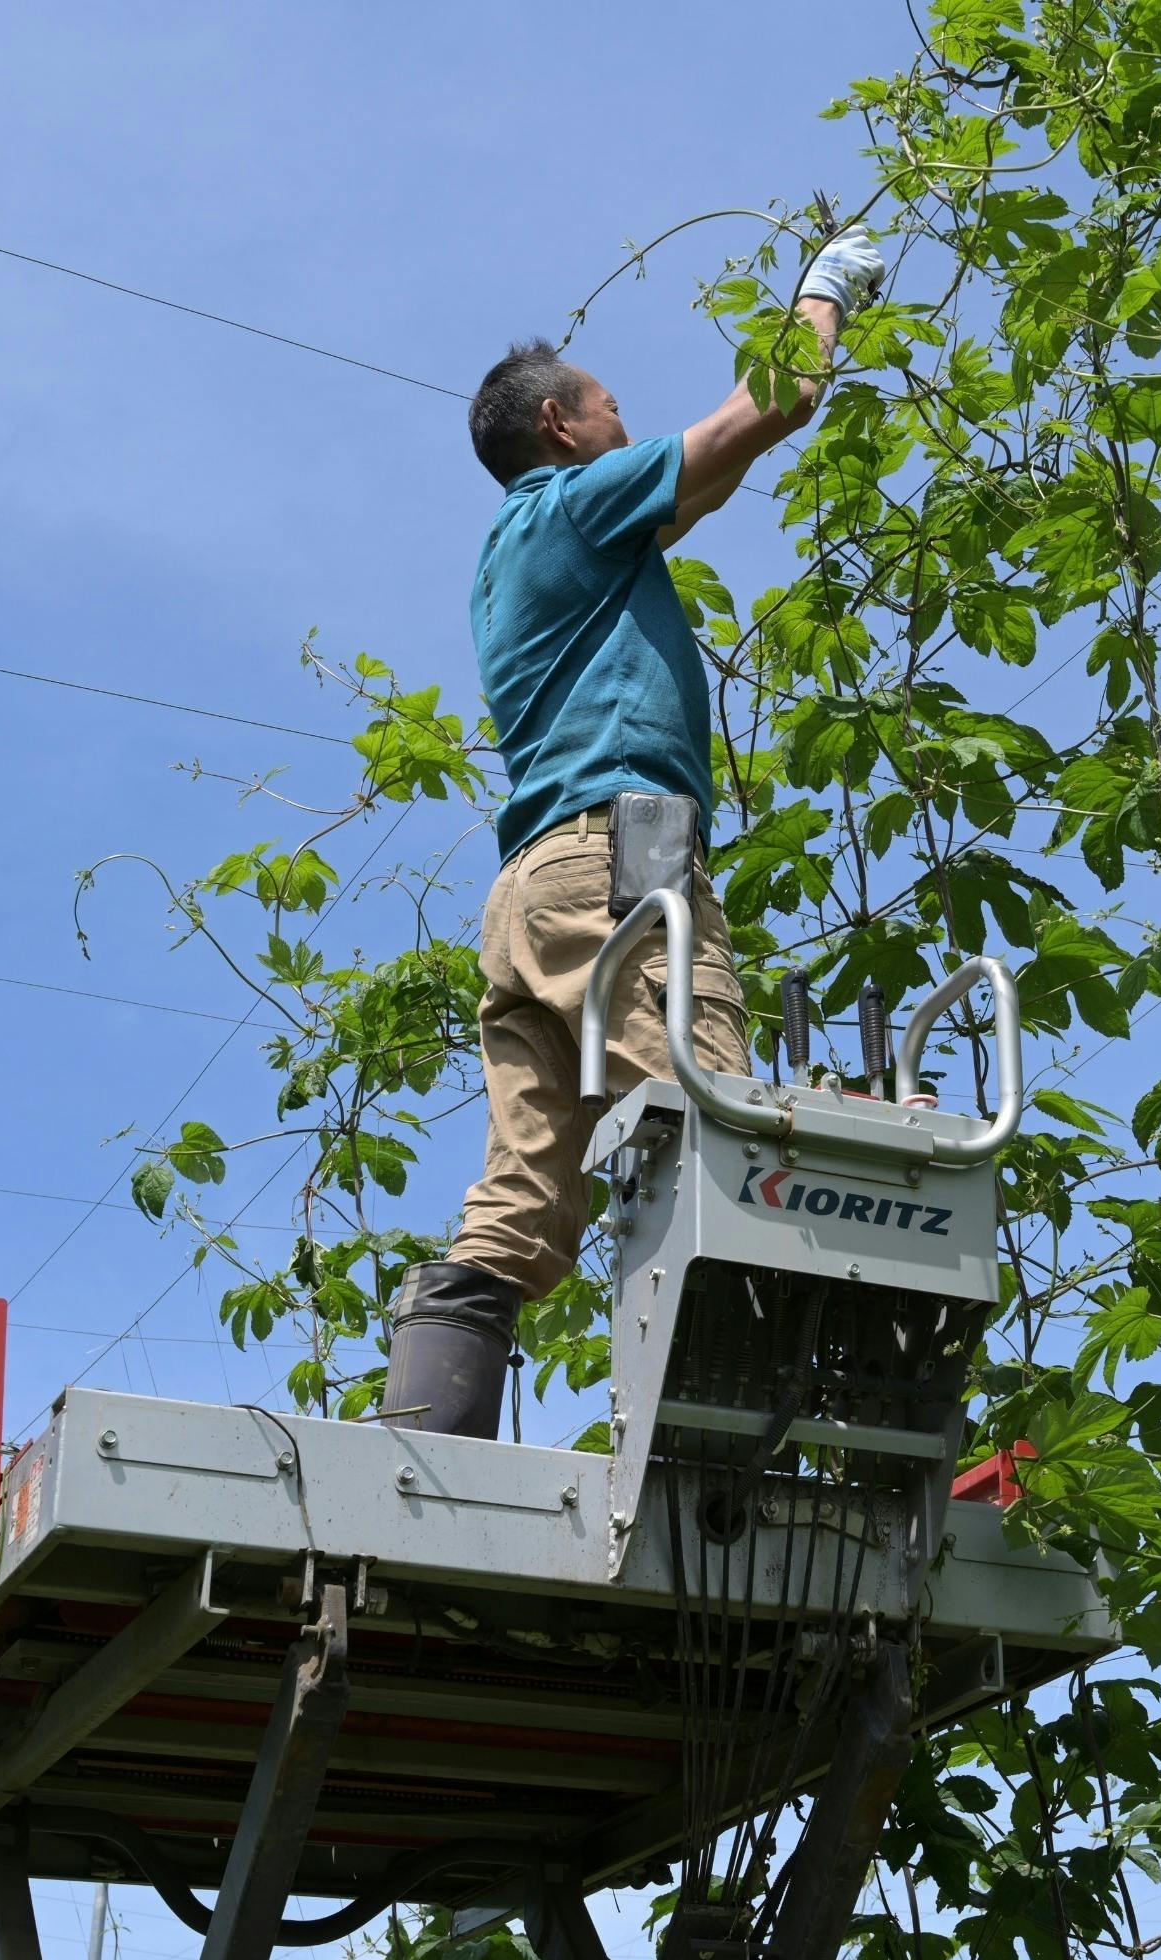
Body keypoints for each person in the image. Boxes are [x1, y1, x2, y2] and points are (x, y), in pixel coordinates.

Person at [378, 226, 886, 1438]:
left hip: (533, 886)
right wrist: (820, 299)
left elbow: (703, 483)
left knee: (526, 1187)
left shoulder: (523, 547)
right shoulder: (572, 505)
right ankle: (723, 1438)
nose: (626, 420)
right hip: (629, 851)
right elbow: (765, 416)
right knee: (705, 1113)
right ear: (560, 426)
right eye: (610, 404)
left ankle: (418, 1444)